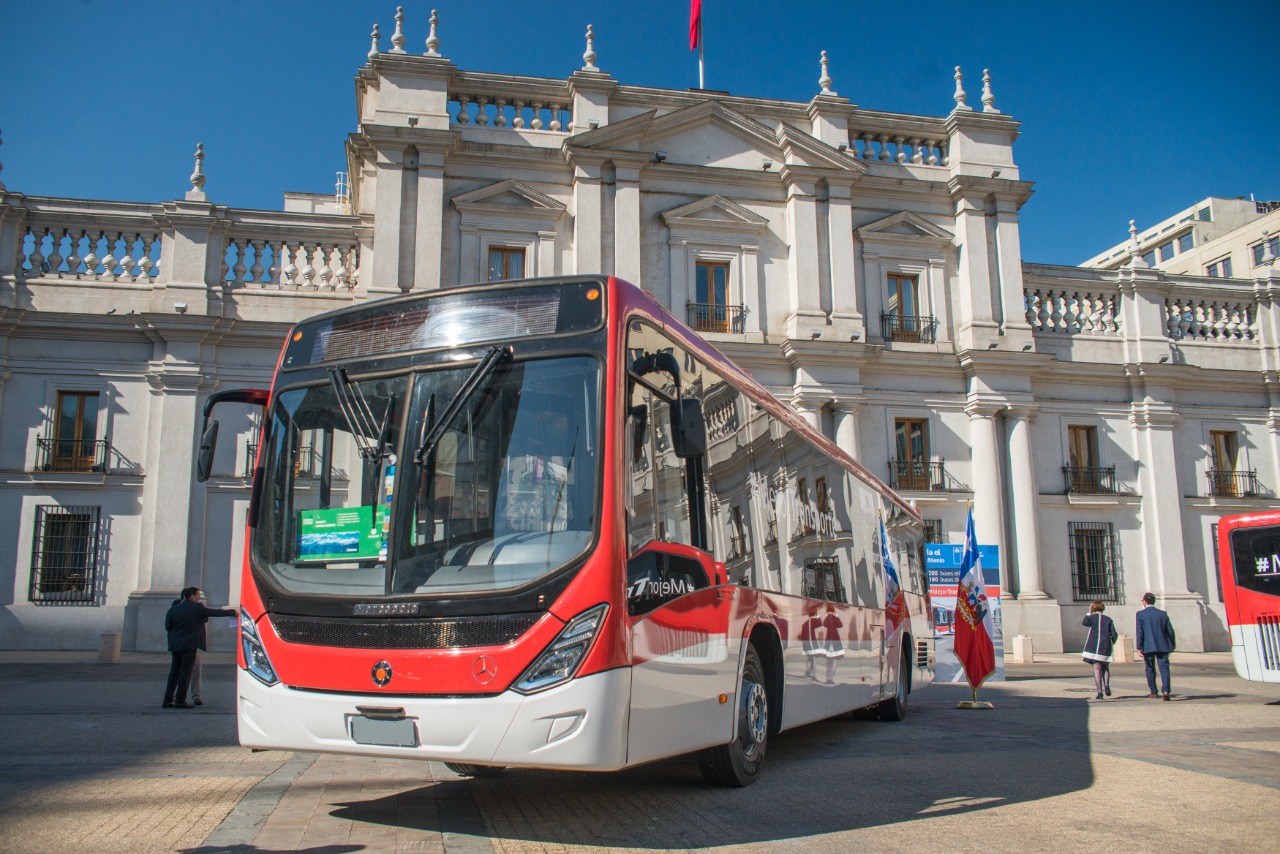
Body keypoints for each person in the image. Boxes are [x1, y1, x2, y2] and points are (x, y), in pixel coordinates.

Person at [163, 587, 236, 709]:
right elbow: (215, 613)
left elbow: (168, 626)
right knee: (186, 672)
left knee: (174, 672)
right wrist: (233, 612)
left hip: (175, 644)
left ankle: (167, 699)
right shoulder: (197, 608)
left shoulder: (174, 608)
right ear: (190, 596)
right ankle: (180, 700)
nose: (198, 598)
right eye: (197, 596)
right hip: (189, 644)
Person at [1135, 592, 1176, 701]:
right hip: (1163, 645)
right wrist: (1172, 643)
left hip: (1148, 645)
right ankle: (1166, 690)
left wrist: (1139, 646)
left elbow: (1140, 632)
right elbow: (1170, 631)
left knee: (1149, 668)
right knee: (1164, 668)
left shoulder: (1140, 614)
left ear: (1144, 602)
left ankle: (1153, 691)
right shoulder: (1163, 614)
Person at [1081, 600, 1117, 699]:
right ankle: (1107, 685)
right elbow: (1114, 634)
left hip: (1094, 647)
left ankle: (1100, 692)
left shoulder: (1092, 618)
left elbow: (1084, 622)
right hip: (1105, 646)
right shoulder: (1108, 619)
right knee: (1105, 667)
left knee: (1097, 669)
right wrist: (1112, 642)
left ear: (1093, 608)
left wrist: (1089, 612)